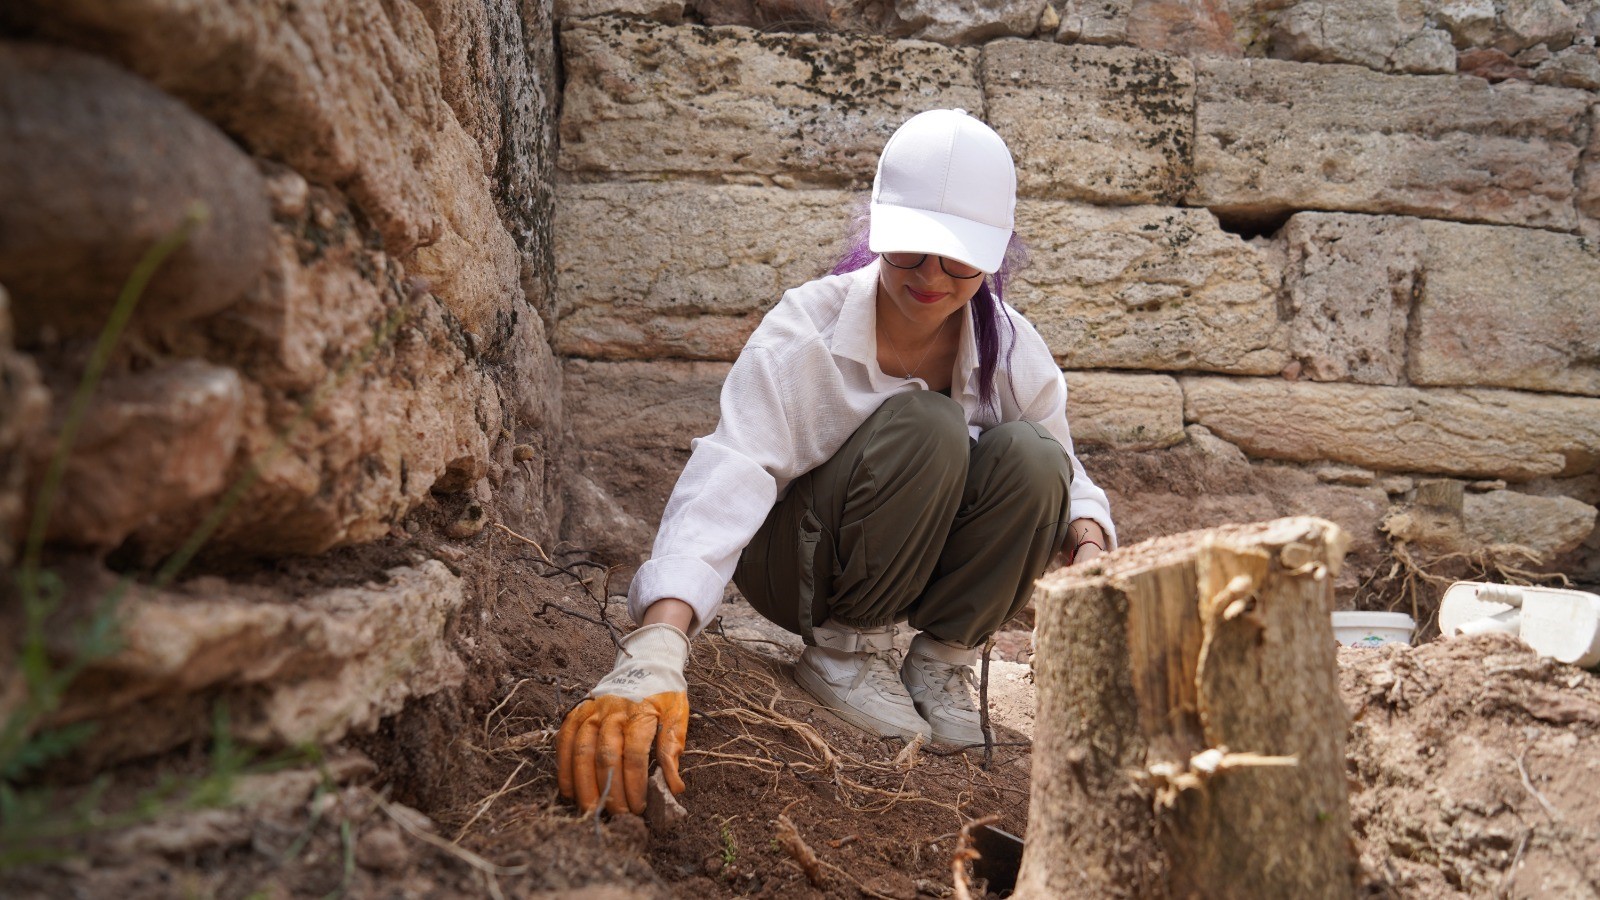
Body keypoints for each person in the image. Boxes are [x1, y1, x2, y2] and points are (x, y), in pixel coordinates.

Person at [556, 109, 1116, 816]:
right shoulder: (806, 330)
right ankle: (846, 654)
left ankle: (940, 663)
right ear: (878, 230)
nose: (932, 278)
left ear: (996, 256)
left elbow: (1065, 464)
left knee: (1033, 459)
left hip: (912, 556)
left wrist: (1089, 544)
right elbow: (733, 470)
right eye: (911, 249)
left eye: (959, 260)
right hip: (799, 566)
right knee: (930, 424)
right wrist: (659, 640)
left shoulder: (1006, 343)